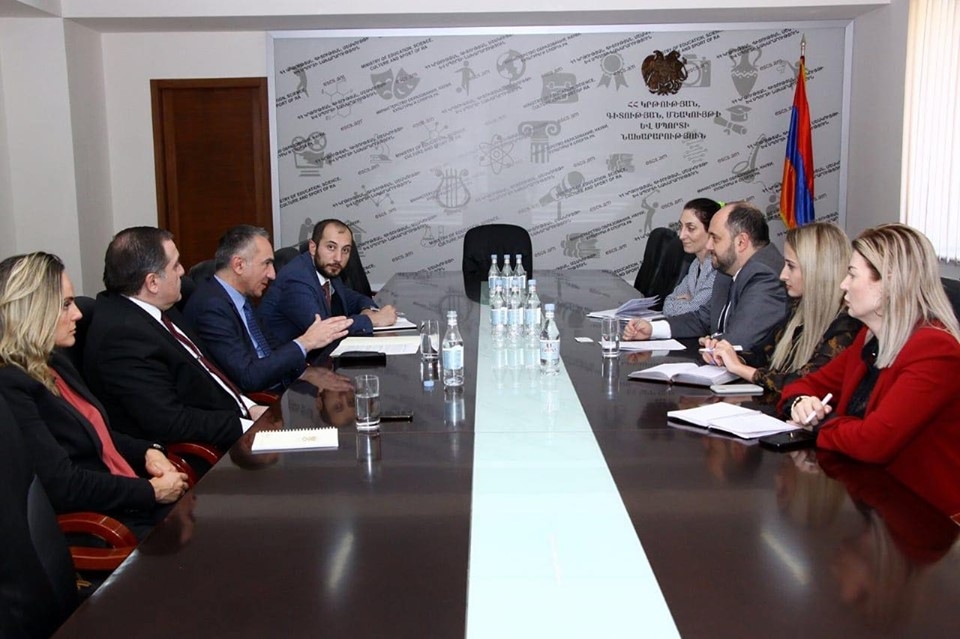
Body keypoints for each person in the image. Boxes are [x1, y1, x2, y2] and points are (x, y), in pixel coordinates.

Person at [0, 252, 189, 538]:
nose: (77, 314)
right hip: (104, 526)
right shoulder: (11, 385)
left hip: (127, 500)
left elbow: (98, 434)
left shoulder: (55, 361)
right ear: (31, 312)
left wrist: (148, 450)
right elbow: (63, 484)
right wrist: (149, 491)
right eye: (65, 305)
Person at [781, 224, 960, 517]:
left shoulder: (935, 350)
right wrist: (801, 403)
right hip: (873, 500)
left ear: (888, 282)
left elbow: (873, 442)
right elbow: (803, 384)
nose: (843, 284)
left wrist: (820, 423)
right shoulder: (870, 338)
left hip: (927, 517)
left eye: (852, 274)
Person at [84, 227, 268, 452]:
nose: (182, 271)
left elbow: (208, 372)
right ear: (152, 282)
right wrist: (245, 426)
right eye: (175, 265)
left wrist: (251, 407)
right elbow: (170, 421)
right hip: (209, 451)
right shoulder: (122, 337)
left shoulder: (162, 306)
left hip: (236, 418)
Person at [183, 225, 352, 393]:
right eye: (267, 264)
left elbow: (270, 346)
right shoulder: (211, 308)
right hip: (257, 399)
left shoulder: (240, 296)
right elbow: (248, 377)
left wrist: (304, 372)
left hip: (278, 382)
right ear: (239, 265)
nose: (272, 274)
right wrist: (306, 342)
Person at [705, 222, 861, 396]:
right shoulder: (797, 309)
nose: (782, 275)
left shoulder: (845, 326)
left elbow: (807, 383)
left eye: (791, 266)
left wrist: (740, 368)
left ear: (817, 270)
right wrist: (729, 355)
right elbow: (764, 354)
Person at [624, 201, 789, 363]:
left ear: (741, 242)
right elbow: (703, 319)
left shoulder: (764, 276)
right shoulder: (728, 268)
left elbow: (739, 341)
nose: (709, 246)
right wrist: (652, 329)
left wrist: (711, 341)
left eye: (715, 238)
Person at [258, 219, 397, 343]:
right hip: (284, 360)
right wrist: (372, 320)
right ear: (313, 248)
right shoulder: (295, 279)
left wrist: (367, 309)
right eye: (331, 247)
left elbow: (352, 298)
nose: (338, 258)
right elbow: (322, 329)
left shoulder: (327, 270)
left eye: (345, 250)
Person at [661, 198, 722, 316]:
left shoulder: (718, 269)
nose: (681, 235)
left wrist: (689, 303)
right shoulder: (695, 264)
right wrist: (689, 303)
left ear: (711, 231)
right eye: (681, 227)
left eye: (691, 228)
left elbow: (696, 312)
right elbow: (667, 304)